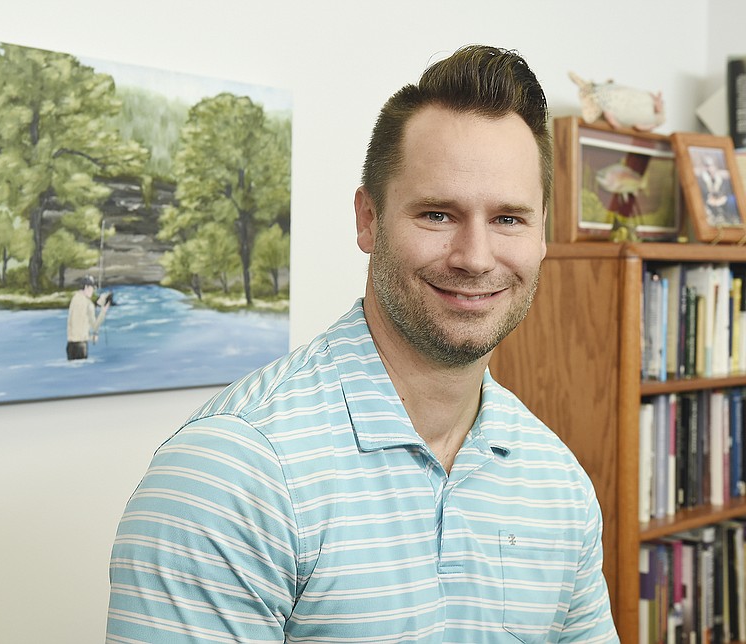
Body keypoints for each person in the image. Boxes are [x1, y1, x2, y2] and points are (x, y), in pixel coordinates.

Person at [106, 45, 619, 642]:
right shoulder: (233, 475)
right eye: (437, 215)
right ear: (368, 220)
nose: (477, 258)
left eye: (509, 219)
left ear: (542, 237)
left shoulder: (557, 483)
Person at [66, 275, 109, 360]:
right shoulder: (89, 304)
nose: (93, 291)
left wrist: (90, 337)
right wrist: (103, 311)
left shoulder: (74, 299)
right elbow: (95, 326)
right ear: (86, 287)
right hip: (81, 347)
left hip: (70, 345)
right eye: (92, 288)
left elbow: (77, 326)